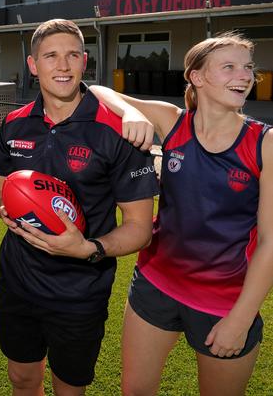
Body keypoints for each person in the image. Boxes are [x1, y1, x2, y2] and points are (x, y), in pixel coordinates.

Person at [89, 32, 273, 396]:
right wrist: (129, 111)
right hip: (155, 285)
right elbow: (97, 91)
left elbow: (269, 240)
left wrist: (240, 318)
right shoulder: (172, 121)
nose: (245, 75)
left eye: (248, 67)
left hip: (224, 300)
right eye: (230, 67)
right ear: (198, 77)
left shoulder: (265, 143)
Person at [0, 18, 159, 396]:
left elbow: (139, 228)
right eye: (50, 56)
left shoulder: (118, 130)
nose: (62, 66)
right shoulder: (15, 124)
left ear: (85, 61)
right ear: (33, 65)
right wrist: (13, 212)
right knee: (21, 378)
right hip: (17, 282)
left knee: (69, 388)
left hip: (79, 292)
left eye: (71, 56)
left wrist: (88, 248)